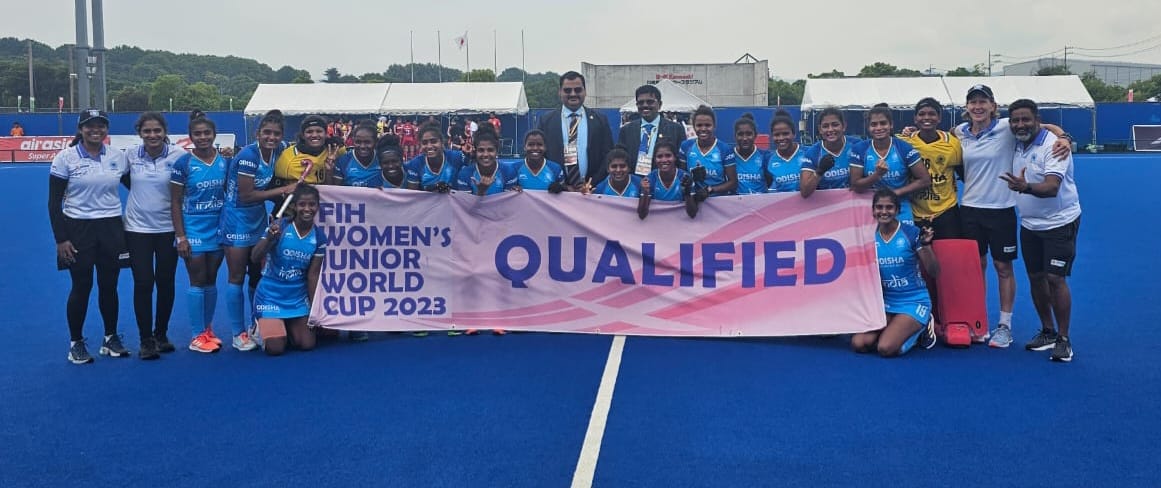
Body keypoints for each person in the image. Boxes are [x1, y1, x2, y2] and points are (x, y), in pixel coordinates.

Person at [953, 84, 1072, 347]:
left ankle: (1004, 326)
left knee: (1003, 268)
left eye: (983, 102)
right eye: (973, 102)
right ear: (967, 107)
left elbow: (1044, 127)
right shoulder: (960, 132)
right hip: (970, 209)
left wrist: (1064, 137)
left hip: (1002, 210)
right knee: (975, 267)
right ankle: (977, 321)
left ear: (993, 106)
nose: (978, 106)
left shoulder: (1007, 127)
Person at [998, 99, 1081, 362]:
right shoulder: (1016, 141)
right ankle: (1048, 331)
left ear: (1037, 120)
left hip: (1060, 222)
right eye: (1015, 120)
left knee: (1055, 278)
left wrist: (1025, 187)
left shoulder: (1053, 146)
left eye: (1026, 119)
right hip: (1030, 224)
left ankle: (1064, 339)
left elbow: (1052, 187)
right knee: (1035, 277)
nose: (1020, 124)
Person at [48, 109, 131, 364]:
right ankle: (76, 342)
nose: (96, 130)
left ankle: (110, 338)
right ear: (80, 129)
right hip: (78, 229)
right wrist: (61, 239)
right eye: (90, 126)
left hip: (111, 228)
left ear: (107, 129)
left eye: (101, 125)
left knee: (109, 285)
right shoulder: (65, 158)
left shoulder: (118, 157)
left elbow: (137, 188)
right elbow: (53, 203)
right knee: (81, 286)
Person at [222, 109, 295, 352]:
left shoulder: (280, 149)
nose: (271, 137)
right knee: (236, 276)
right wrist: (283, 191)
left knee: (257, 274)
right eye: (267, 133)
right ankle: (237, 333)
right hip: (236, 219)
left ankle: (257, 324)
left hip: (257, 218)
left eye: (276, 133)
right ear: (257, 134)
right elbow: (247, 195)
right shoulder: (248, 155)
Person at [123, 112, 184, 359]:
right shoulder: (129, 155)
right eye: (147, 131)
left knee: (166, 282)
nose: (152, 135)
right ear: (140, 133)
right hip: (137, 230)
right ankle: (145, 340)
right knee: (143, 282)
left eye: (157, 130)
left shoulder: (179, 155)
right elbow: (119, 177)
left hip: (168, 228)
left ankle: (161, 334)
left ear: (164, 131)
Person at [852, 189, 938, 357]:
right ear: (873, 210)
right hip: (884, 303)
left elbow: (934, 272)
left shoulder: (911, 233)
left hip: (913, 301)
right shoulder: (868, 236)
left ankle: (923, 326)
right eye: (879, 207)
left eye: (889, 207)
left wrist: (926, 246)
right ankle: (895, 328)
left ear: (897, 210)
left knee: (885, 348)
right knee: (859, 343)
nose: (884, 212)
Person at [170, 111, 228, 353]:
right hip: (193, 227)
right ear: (191, 137)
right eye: (198, 134)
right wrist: (181, 236)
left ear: (214, 135)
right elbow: (175, 202)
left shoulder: (225, 161)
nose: (203, 137)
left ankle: (207, 329)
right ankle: (196, 335)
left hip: (218, 227)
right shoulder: (183, 163)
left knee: (211, 279)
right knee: (197, 278)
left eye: (207, 133)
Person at [250, 185, 326, 356]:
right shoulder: (279, 227)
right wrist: (269, 239)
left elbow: (313, 275)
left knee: (307, 344)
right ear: (294, 206)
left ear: (317, 206)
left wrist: (315, 310)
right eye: (302, 204)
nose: (307, 209)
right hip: (270, 296)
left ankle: (285, 325)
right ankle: (259, 327)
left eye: (312, 204)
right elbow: (254, 257)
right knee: (275, 348)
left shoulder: (319, 237)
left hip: (297, 298)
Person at [849, 104, 931, 226]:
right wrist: (877, 175)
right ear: (868, 127)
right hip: (872, 207)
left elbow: (925, 180)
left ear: (891, 125)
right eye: (874, 124)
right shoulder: (860, 149)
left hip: (900, 205)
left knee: (904, 238)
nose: (879, 128)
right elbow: (856, 186)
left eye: (883, 123)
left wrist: (895, 193)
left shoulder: (903, 147)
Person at [538, 71, 615, 188]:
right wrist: (562, 185)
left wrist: (591, 183)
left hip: (591, 190)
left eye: (578, 90)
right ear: (560, 92)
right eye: (567, 90)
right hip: (557, 191)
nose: (573, 94)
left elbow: (608, 155)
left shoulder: (600, 120)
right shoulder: (546, 121)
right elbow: (541, 155)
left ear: (585, 91)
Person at [903, 98, 963, 239]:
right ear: (915, 118)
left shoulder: (953, 143)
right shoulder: (905, 141)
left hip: (946, 211)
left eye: (931, 114)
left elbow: (964, 173)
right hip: (915, 213)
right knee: (919, 252)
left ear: (939, 118)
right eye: (922, 114)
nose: (926, 117)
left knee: (948, 252)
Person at [621, 84, 686, 175]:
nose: (645, 105)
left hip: (664, 180)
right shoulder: (626, 130)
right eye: (641, 102)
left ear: (660, 104)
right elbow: (622, 159)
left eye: (650, 102)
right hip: (635, 181)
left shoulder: (676, 129)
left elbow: (681, 161)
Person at [679, 105, 737, 197]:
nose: (703, 129)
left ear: (714, 126)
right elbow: (681, 176)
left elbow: (733, 182)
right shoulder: (686, 146)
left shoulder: (725, 149)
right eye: (699, 125)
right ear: (693, 126)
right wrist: (688, 183)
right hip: (694, 201)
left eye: (707, 125)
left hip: (718, 200)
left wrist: (711, 190)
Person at [800, 107, 857, 198]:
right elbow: (804, 192)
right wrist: (819, 172)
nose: (830, 129)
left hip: (854, 204)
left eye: (835, 125)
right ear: (820, 129)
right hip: (827, 205)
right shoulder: (813, 153)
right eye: (825, 126)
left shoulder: (856, 146)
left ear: (844, 126)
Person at [274, 115, 343, 186]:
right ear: (302, 135)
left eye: (319, 131)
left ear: (326, 134)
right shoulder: (288, 157)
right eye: (309, 132)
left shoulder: (335, 150)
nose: (314, 135)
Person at [639, 140, 691, 219]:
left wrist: (687, 192)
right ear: (654, 159)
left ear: (675, 157)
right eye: (659, 156)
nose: (664, 160)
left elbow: (692, 213)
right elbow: (642, 215)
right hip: (657, 222)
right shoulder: (650, 179)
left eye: (668, 155)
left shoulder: (685, 177)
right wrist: (645, 192)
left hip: (681, 223)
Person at [405, 123, 464, 192]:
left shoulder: (457, 157)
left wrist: (470, 155)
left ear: (442, 142)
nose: (429, 146)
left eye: (433, 141)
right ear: (420, 145)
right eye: (424, 143)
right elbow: (412, 194)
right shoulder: (415, 164)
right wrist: (432, 188)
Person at [765, 110, 811, 194]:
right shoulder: (768, 159)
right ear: (772, 136)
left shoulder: (809, 153)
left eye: (785, 134)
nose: (781, 138)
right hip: (783, 202)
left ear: (794, 134)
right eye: (777, 135)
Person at [725, 113, 768, 195]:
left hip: (760, 202)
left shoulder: (765, 156)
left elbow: (769, 181)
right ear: (735, 136)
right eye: (740, 134)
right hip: (735, 202)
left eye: (749, 134)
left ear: (755, 135)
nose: (745, 138)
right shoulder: (728, 156)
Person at [332, 121, 382, 188]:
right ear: (353, 141)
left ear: (375, 142)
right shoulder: (343, 161)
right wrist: (328, 172)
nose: (362, 146)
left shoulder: (382, 159)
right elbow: (335, 190)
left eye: (367, 142)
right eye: (358, 142)